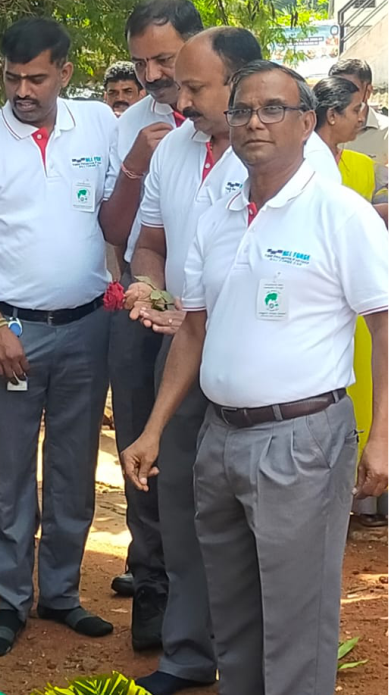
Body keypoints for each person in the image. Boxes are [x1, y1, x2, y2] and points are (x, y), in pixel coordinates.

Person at [123, 60, 389, 696]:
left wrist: (381, 436)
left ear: (306, 122)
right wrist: (154, 429)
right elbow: (192, 328)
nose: (254, 123)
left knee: (296, 622)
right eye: (242, 110)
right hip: (219, 437)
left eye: (274, 109)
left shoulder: (340, 214)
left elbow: (385, 327)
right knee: (235, 614)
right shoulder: (217, 215)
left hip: (301, 441)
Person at [0, 17, 117, 658]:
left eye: (35, 78)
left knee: (72, 471)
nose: (22, 90)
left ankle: (63, 596)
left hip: (87, 326)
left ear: (65, 73)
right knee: (11, 473)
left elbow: (112, 216)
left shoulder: (98, 124)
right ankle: (12, 602)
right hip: (11, 331)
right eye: (13, 78)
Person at [95, 0, 203, 638]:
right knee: (144, 444)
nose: (155, 73)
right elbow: (115, 226)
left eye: (165, 59)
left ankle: (210, 601)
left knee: (204, 459)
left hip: (223, 316)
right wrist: (137, 155)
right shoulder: (133, 121)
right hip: (142, 304)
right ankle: (153, 586)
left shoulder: (236, 115)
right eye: (143, 62)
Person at [313, 76, 389, 528]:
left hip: (364, 294)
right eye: (357, 108)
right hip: (327, 299)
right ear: (332, 115)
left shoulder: (359, 163)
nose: (364, 116)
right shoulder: (304, 166)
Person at [330, 58, 389, 165]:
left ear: (368, 91)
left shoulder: (386, 133)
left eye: (350, 89)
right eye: (336, 88)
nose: (342, 95)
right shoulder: (318, 129)